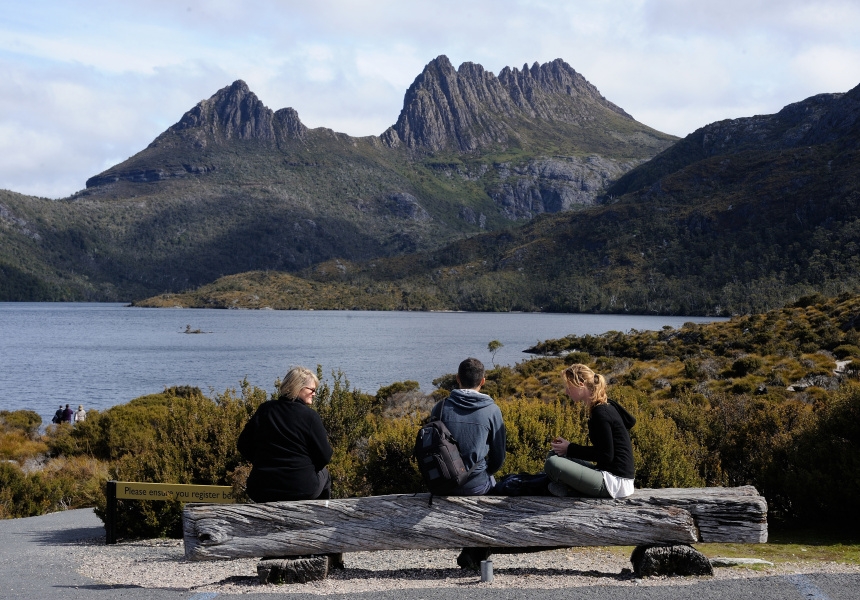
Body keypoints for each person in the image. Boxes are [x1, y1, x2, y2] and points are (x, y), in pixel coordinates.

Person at [431, 357, 506, 568]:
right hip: (476, 486)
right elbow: (498, 457)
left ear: (457, 379)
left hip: (443, 485)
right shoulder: (492, 411)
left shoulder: (440, 407)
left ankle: (472, 551)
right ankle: (476, 551)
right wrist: (482, 473)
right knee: (493, 487)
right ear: (483, 381)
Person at [238, 366, 333, 502]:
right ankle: (322, 518)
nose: (314, 394)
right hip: (301, 488)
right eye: (312, 390)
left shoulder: (265, 410)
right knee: (325, 474)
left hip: (261, 488)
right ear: (298, 388)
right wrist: (307, 468)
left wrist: (261, 462)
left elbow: (243, 444)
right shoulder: (310, 417)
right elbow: (325, 455)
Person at [544, 364, 636, 499]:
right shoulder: (605, 404)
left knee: (553, 464)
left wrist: (570, 448)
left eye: (569, 387)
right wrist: (567, 448)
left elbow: (606, 455)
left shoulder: (601, 412)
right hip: (609, 474)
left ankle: (566, 488)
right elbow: (630, 421)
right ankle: (566, 487)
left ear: (581, 385)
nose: (566, 392)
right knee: (555, 454)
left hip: (615, 483)